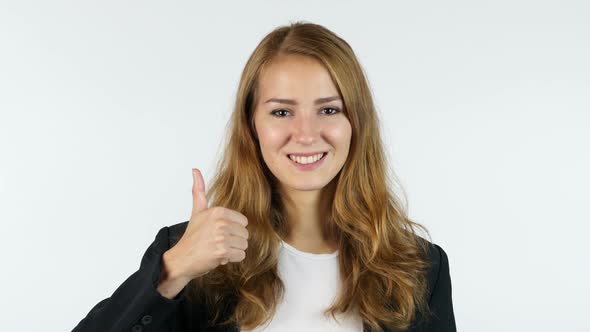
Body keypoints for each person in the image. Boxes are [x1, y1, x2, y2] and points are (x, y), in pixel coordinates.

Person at [72, 21, 456, 332]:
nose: (306, 134)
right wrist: (175, 270)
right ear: (251, 126)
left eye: (328, 110)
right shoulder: (191, 254)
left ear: (356, 123)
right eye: (282, 112)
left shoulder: (420, 268)